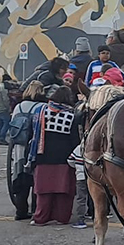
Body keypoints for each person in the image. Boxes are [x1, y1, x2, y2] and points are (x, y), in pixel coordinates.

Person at [29, 86, 82, 226]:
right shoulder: (72, 116)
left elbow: (32, 133)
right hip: (64, 158)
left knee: (43, 190)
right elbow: (75, 140)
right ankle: (62, 217)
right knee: (64, 190)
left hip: (43, 155)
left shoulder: (41, 111)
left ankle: (41, 217)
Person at [7, 80, 47, 220]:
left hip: (19, 145)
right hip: (36, 146)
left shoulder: (19, 107)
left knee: (20, 176)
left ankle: (20, 210)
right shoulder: (43, 107)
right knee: (36, 179)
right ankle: (36, 210)